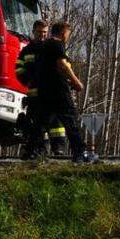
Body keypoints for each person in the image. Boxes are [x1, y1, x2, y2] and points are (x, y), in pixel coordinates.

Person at [31, 21, 94, 162]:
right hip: (58, 90)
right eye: (68, 34)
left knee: (40, 122)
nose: (68, 37)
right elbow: (62, 65)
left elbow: (50, 68)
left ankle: (33, 151)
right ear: (63, 32)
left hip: (45, 90)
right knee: (71, 120)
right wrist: (76, 82)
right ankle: (80, 153)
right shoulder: (56, 44)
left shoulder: (44, 46)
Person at [16, 20, 48, 159]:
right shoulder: (26, 50)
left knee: (45, 123)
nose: (42, 35)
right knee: (32, 122)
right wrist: (27, 81)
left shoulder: (50, 48)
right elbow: (18, 69)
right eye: (40, 32)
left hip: (48, 93)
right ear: (34, 32)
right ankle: (33, 150)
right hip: (33, 93)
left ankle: (41, 150)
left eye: (45, 33)